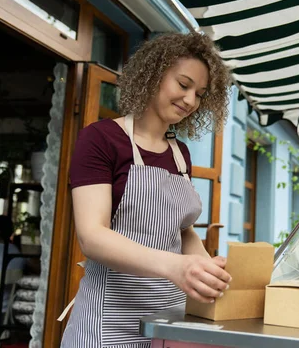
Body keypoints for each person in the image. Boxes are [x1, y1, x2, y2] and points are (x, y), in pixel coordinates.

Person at [61, 33, 232, 347]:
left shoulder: (180, 153)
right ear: (153, 75)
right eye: (183, 85)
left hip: (169, 323)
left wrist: (208, 272)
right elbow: (92, 236)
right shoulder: (101, 139)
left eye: (200, 93)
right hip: (108, 322)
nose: (191, 100)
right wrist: (176, 266)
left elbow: (182, 232)